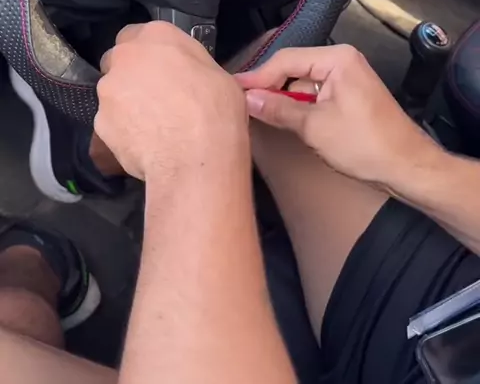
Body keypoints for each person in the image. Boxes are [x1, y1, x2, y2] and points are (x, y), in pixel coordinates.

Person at [1, 21, 480, 383]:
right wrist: (411, 161)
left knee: (15, 317)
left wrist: (191, 159)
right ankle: (90, 161)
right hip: (456, 315)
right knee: (276, 75)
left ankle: (31, 287)